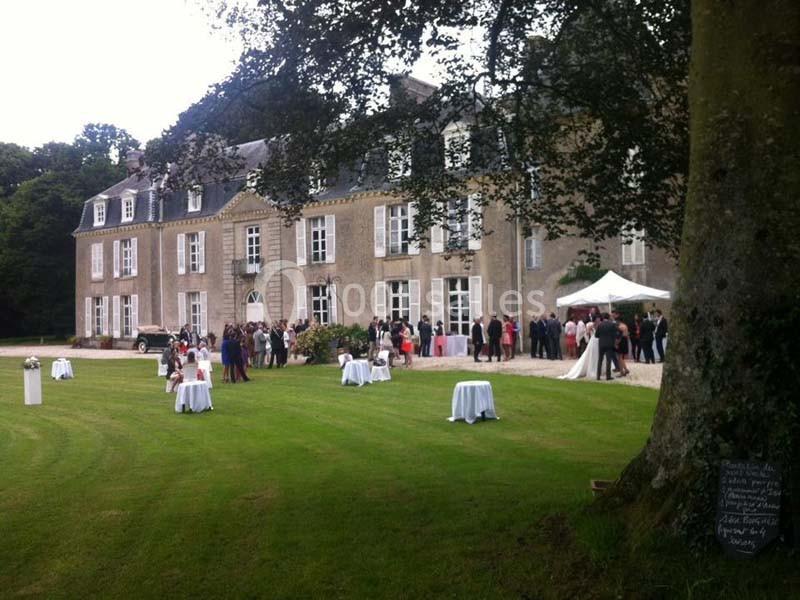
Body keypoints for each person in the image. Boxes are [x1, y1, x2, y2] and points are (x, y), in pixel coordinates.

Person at [595, 313, 619, 381]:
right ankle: (608, 376)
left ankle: (598, 376)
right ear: (608, 317)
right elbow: (615, 335)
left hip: (601, 344)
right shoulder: (612, 324)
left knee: (600, 360)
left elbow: (596, 335)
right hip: (609, 344)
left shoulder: (600, 325)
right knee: (608, 360)